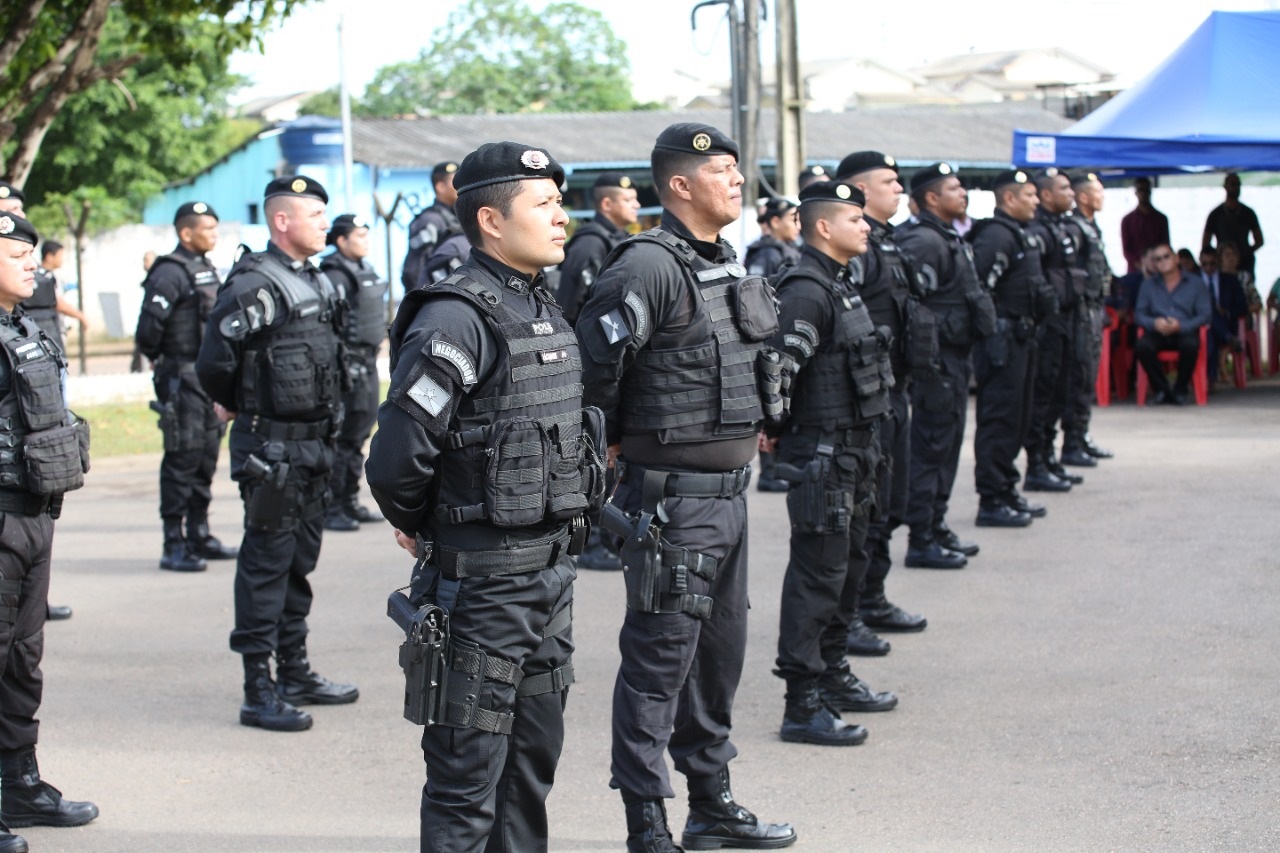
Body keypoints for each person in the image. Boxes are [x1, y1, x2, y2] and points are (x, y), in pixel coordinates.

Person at [365, 142, 595, 852]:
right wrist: (425, 521)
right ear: (491, 221)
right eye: (544, 204)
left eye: (561, 202)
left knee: (529, 771)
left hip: (547, 576)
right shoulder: (455, 316)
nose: (562, 217)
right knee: (468, 783)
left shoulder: (540, 304)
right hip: (483, 587)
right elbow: (397, 459)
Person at [576, 122, 795, 852]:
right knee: (659, 662)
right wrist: (604, 449)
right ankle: (647, 821)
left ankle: (712, 802)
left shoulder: (725, 263)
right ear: (679, 184)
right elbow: (593, 370)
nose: (738, 180)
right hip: (673, 500)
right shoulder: (645, 267)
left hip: (728, 498)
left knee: (717, 659)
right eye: (724, 170)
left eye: (738, 169)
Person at [196, 175, 358, 733]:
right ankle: (257, 689)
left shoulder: (315, 279)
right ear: (282, 221)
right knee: (266, 565)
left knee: (299, 562)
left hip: (316, 445)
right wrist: (230, 401)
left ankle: (294, 670)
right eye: (314, 215)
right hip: (271, 448)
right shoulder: (253, 284)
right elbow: (214, 361)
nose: (324, 225)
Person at [766, 178, 898, 750]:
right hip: (823, 456)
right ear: (823, 226)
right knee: (818, 577)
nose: (865, 227)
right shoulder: (806, 289)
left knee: (849, 568)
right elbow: (776, 373)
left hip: (856, 450)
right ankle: (803, 702)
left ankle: (835, 674)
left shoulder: (839, 283)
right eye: (855, 219)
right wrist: (778, 435)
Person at [0, 212, 98, 853]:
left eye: (32, 251)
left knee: (21, 659)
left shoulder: (25, 328)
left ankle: (20, 784)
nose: (33, 261)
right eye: (16, 253)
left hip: (35, 511)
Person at [832, 151, 930, 656]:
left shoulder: (884, 241)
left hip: (895, 388)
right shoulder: (857, 247)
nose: (899, 189)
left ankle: (873, 596)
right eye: (889, 181)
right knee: (865, 509)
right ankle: (856, 608)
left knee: (887, 500)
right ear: (860, 189)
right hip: (869, 397)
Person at [897, 163, 996, 569]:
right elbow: (913, 307)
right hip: (935, 365)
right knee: (932, 449)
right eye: (954, 188)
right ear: (932, 198)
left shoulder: (946, 237)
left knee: (948, 447)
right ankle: (921, 538)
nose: (963, 194)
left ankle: (936, 525)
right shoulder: (924, 242)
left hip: (953, 359)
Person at [135, 201, 238, 573]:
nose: (214, 234)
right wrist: (166, 363)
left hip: (205, 379)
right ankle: (173, 543)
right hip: (181, 378)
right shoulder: (169, 272)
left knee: (205, 458)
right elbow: (148, 332)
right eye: (207, 228)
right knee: (182, 460)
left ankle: (199, 534)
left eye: (215, 227)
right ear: (185, 232)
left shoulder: (206, 268)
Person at [968, 169, 1052, 529]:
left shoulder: (1018, 234)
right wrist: (995, 329)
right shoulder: (996, 236)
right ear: (1009, 199)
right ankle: (991, 498)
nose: (1036, 201)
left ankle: (1006, 489)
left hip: (1022, 339)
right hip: (1002, 342)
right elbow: (978, 289)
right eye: (1030, 195)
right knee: (1000, 419)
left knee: (1019, 417)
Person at [318, 214, 387, 532]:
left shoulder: (364, 269)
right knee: (343, 437)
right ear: (342, 240)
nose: (365, 240)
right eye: (359, 235)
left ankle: (349, 501)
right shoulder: (335, 273)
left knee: (359, 435)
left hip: (367, 362)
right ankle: (333, 506)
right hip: (346, 365)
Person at [1022, 168, 1080, 494]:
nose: (1070, 193)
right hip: (1047, 326)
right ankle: (1038, 463)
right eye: (1063, 188)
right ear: (1046, 195)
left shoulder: (1060, 228)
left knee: (1060, 393)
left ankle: (1049, 457)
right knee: (1042, 397)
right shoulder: (1038, 231)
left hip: (1065, 320)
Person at [745, 196, 802, 494]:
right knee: (772, 401)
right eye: (792, 218)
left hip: (785, 333)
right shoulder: (765, 252)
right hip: (771, 336)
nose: (797, 224)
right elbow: (756, 296)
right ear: (775, 221)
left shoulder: (788, 249)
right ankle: (769, 472)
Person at [1059, 173, 1114, 465]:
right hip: (1080, 313)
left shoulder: (1091, 227)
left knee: (1088, 375)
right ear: (1083, 197)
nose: (1102, 195)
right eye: (1097, 191)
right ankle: (1072, 442)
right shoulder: (1074, 228)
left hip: (1095, 310)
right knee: (1078, 376)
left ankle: (1082, 435)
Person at [1133, 242, 1212, 405]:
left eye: (1166, 256)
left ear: (1176, 259)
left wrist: (1182, 326)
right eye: (1157, 259)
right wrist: (1154, 323)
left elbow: (1205, 315)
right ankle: (1162, 390)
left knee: (1190, 346)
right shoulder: (1148, 285)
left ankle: (1180, 390)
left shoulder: (1195, 283)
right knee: (1142, 347)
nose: (1163, 261)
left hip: (1184, 330)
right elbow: (1139, 314)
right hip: (1158, 331)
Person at [557, 172, 640, 324]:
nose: (637, 205)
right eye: (628, 200)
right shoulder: (590, 242)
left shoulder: (623, 238)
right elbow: (569, 305)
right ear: (606, 204)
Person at [22, 240, 90, 355]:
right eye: (60, 255)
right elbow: (58, 303)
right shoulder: (44, 278)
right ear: (49, 256)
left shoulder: (46, 276)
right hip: (49, 330)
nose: (62, 259)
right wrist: (81, 316)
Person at [402, 161, 461, 291]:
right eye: (456, 181)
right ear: (440, 187)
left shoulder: (459, 217)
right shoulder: (430, 220)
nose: (461, 186)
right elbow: (415, 269)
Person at [1199, 247, 1249, 384]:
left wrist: (1227, 312)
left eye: (1212, 263)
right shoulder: (1192, 281)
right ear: (1200, 262)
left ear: (1218, 262)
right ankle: (1228, 337)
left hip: (1225, 323)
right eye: (1205, 264)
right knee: (1208, 311)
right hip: (1199, 324)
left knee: (1211, 334)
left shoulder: (1230, 281)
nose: (1208, 267)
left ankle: (1210, 379)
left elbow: (1243, 307)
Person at [1202, 172, 1264, 277]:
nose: (1236, 188)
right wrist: (1217, 258)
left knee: (1246, 291)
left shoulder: (1248, 213)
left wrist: (1245, 253)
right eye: (1233, 184)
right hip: (1222, 265)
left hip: (1245, 264)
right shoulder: (1216, 214)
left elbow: (1259, 240)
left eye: (1238, 185)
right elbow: (1205, 243)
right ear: (1225, 187)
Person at [1120, 177, 1170, 274]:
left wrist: (1156, 263)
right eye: (1140, 190)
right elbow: (1126, 250)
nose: (1143, 194)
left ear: (1150, 192)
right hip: (1135, 271)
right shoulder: (1127, 220)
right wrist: (1140, 264)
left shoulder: (1161, 218)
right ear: (1135, 193)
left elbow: (1165, 245)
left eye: (1146, 190)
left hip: (1158, 270)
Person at [744, 196, 801, 280]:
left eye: (799, 220)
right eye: (794, 220)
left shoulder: (792, 248)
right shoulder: (767, 254)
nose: (799, 226)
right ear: (776, 222)